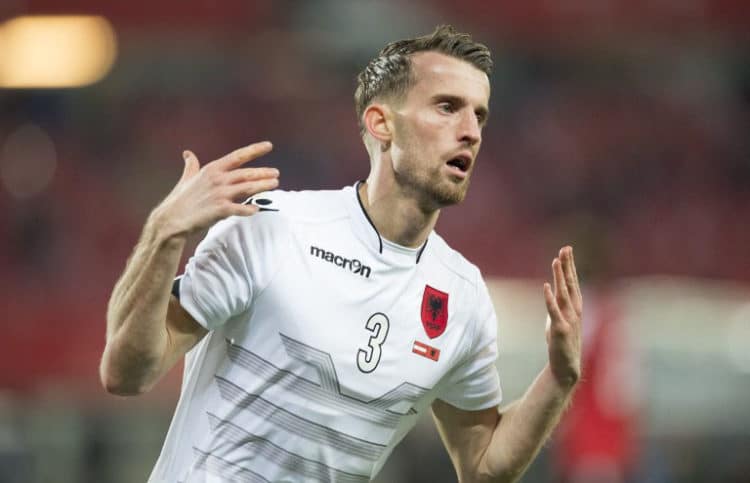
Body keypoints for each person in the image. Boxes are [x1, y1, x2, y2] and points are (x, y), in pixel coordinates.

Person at [100, 25, 583, 483]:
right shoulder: (274, 228)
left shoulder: (462, 297)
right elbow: (126, 373)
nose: (470, 131)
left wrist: (559, 379)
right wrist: (163, 234)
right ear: (381, 124)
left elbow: (482, 467)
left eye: (479, 114)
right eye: (447, 107)